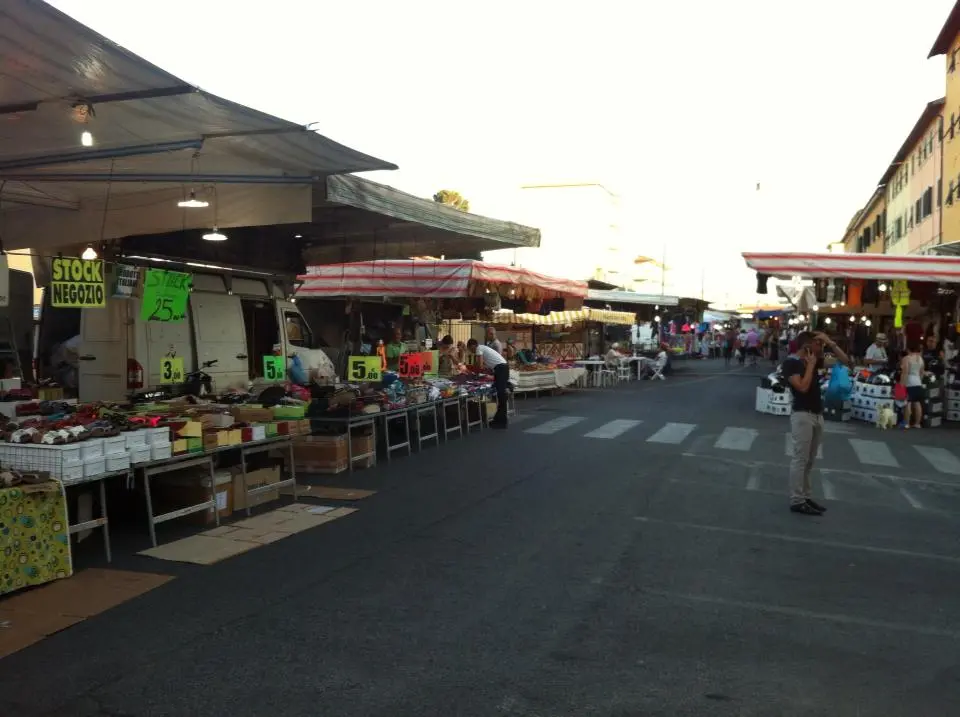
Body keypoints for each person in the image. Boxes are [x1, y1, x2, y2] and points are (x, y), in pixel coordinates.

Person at [782, 330, 851, 516]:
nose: (821, 348)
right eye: (818, 344)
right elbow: (802, 387)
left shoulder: (815, 360)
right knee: (800, 459)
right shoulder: (791, 364)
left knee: (810, 460)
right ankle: (797, 499)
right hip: (802, 415)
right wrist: (811, 366)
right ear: (807, 347)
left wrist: (831, 342)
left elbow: (846, 362)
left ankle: (805, 496)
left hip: (817, 414)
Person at [467, 338, 509, 429]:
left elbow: (480, 365)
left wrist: (475, 372)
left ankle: (502, 421)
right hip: (501, 368)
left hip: (501, 368)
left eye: (471, 349)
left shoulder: (479, 348)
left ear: (473, 346)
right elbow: (484, 365)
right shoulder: (483, 348)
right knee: (500, 395)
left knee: (501, 395)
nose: (472, 352)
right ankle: (498, 419)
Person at [900, 340, 926, 429]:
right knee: (917, 403)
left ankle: (906, 423)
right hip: (918, 382)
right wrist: (919, 381)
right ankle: (917, 423)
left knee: (907, 403)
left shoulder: (906, 358)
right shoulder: (921, 359)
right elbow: (922, 373)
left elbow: (905, 372)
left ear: (908, 349)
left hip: (909, 382)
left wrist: (901, 385)